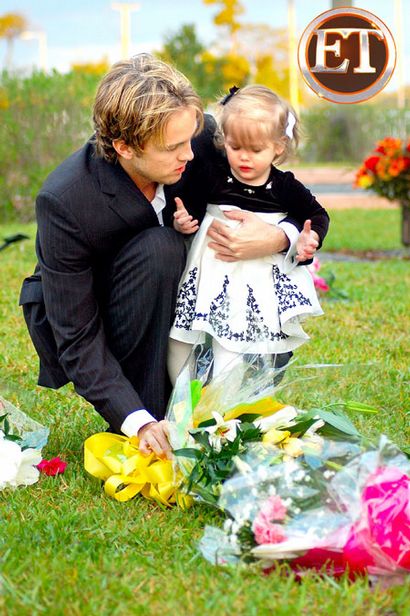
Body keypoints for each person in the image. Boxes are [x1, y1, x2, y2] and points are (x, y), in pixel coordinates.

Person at [19, 56, 297, 459]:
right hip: (110, 316)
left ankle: (243, 390)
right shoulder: (65, 200)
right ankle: (157, 410)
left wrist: (274, 238)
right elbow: (76, 335)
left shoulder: (199, 141)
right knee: (160, 248)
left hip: (191, 295)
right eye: (173, 148)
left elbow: (284, 196)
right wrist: (137, 420)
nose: (190, 155)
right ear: (124, 147)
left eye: (191, 139)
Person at [168, 85, 330, 381]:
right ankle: (188, 401)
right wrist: (183, 221)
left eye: (256, 150)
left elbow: (317, 215)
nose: (244, 158)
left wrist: (308, 239)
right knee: (189, 339)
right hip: (213, 274)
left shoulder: (284, 186)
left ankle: (243, 404)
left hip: (259, 279)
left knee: (255, 344)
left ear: (278, 146)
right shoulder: (215, 177)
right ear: (223, 141)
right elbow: (192, 205)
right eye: (235, 147)